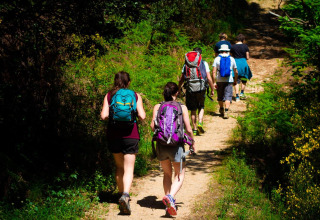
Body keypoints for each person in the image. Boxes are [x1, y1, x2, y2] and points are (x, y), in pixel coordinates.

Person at [100, 71, 146, 215]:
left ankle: (120, 195)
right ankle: (126, 195)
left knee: (119, 167)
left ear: (115, 81)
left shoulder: (109, 95)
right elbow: (143, 116)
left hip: (114, 135)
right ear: (129, 82)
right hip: (131, 135)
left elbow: (103, 115)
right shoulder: (135, 95)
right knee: (129, 168)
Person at [150, 82, 195, 216]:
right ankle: (170, 198)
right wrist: (192, 142)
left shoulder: (158, 106)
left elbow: (153, 126)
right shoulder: (182, 107)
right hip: (176, 146)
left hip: (161, 145)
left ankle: (168, 201)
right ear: (176, 93)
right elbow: (188, 128)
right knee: (180, 174)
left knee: (167, 174)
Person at [178, 47, 215, 136]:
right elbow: (209, 78)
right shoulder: (204, 63)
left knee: (193, 109)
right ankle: (200, 122)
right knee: (201, 106)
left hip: (190, 89)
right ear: (200, 55)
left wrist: (178, 88)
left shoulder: (186, 64)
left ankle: (194, 129)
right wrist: (212, 89)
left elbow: (182, 79)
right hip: (201, 88)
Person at [212, 44, 238, 119]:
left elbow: (214, 72)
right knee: (228, 96)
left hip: (219, 80)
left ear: (220, 51)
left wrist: (214, 82)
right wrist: (235, 80)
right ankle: (226, 111)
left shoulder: (217, 59)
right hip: (229, 80)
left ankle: (221, 108)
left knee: (220, 96)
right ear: (228, 51)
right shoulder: (232, 59)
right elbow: (236, 71)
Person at [230, 34, 252, 101]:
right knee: (244, 79)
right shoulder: (245, 46)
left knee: (236, 80)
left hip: (236, 63)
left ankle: (236, 96)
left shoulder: (233, 47)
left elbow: (231, 56)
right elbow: (247, 57)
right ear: (243, 40)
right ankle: (242, 93)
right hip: (243, 63)